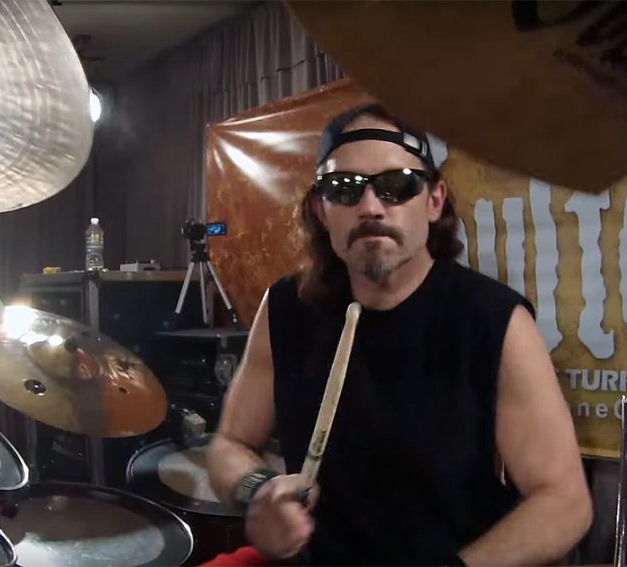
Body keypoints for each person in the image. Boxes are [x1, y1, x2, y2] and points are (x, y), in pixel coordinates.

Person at [206, 103, 593, 566]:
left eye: (398, 185)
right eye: (344, 188)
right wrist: (257, 491)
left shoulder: (493, 321)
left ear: (434, 201)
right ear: (321, 209)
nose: (371, 207)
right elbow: (229, 444)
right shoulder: (287, 308)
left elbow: (564, 501)